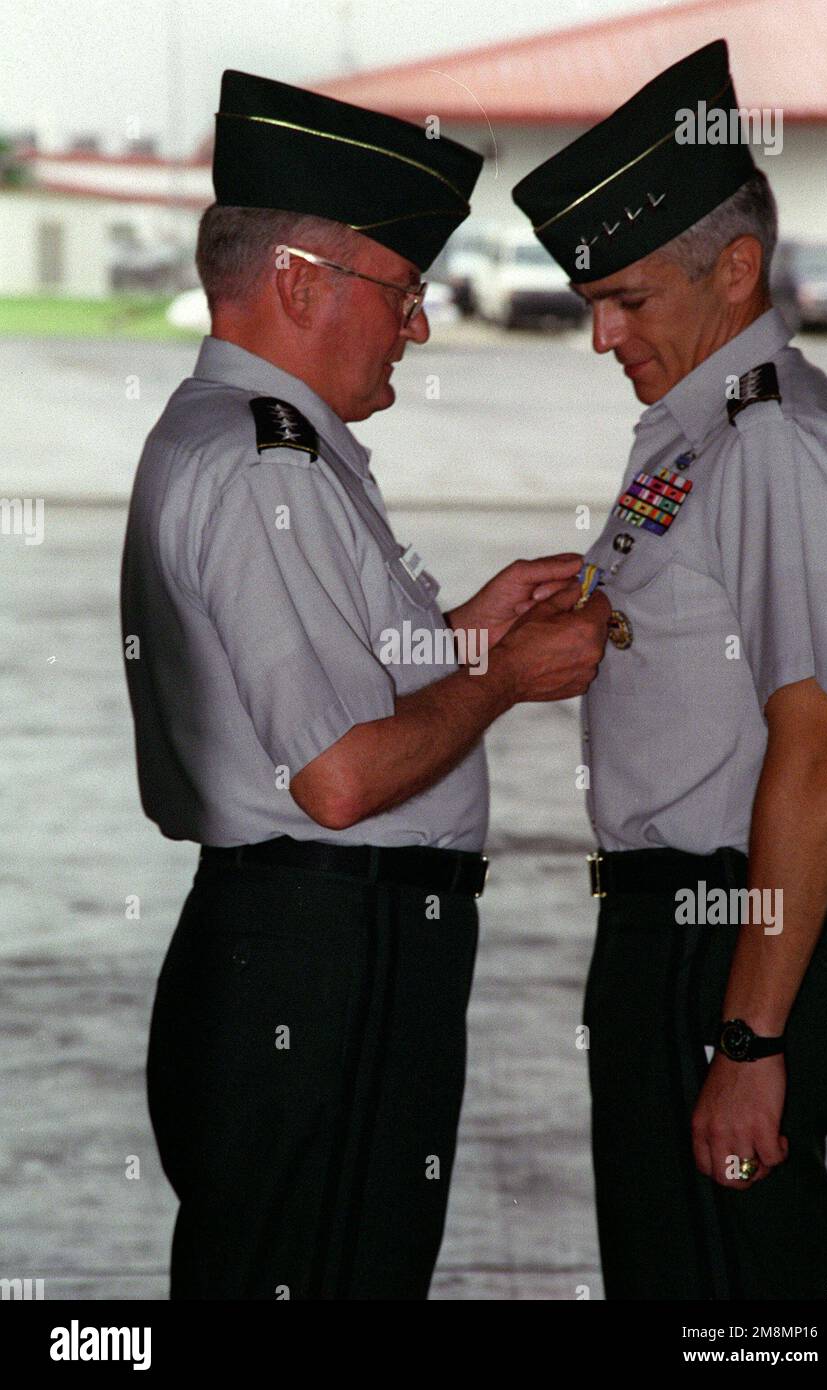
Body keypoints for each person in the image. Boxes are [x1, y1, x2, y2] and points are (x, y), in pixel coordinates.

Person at [120, 68, 610, 1301]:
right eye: (403, 292)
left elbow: (325, 689)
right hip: (324, 957)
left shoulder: (251, 442)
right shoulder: (261, 465)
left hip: (306, 945)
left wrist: (461, 634)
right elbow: (338, 777)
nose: (420, 326)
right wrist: (497, 678)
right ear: (297, 280)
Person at [513, 39, 827, 1300]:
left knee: (735, 1311)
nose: (601, 334)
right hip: (667, 936)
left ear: (733, 267)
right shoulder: (696, 435)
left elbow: (826, 744)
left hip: (730, 941)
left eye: (627, 299)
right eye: (589, 302)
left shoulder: (777, 442)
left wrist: (748, 1036)